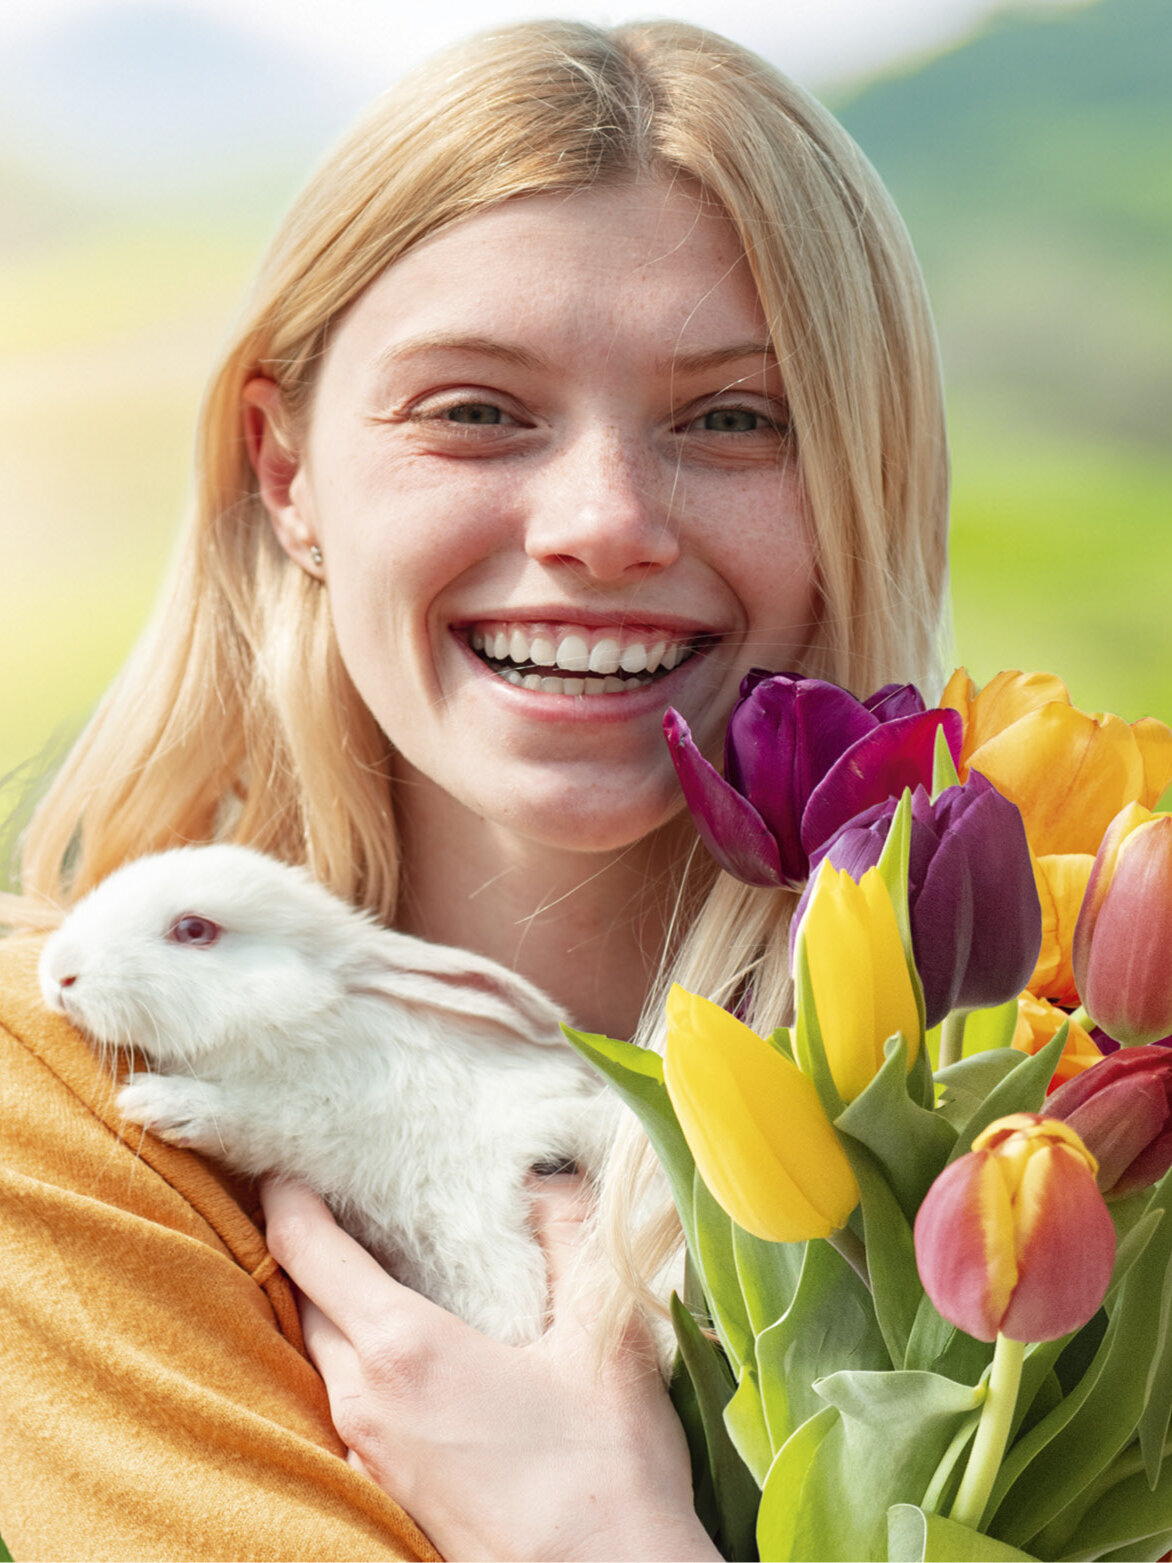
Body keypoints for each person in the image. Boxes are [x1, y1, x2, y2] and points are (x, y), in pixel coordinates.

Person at [0, 16, 948, 1561]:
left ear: (863, 484)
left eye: (733, 418)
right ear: (284, 469)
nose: (602, 524)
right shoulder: (65, 1103)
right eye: (475, 410)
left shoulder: (1056, 1114)